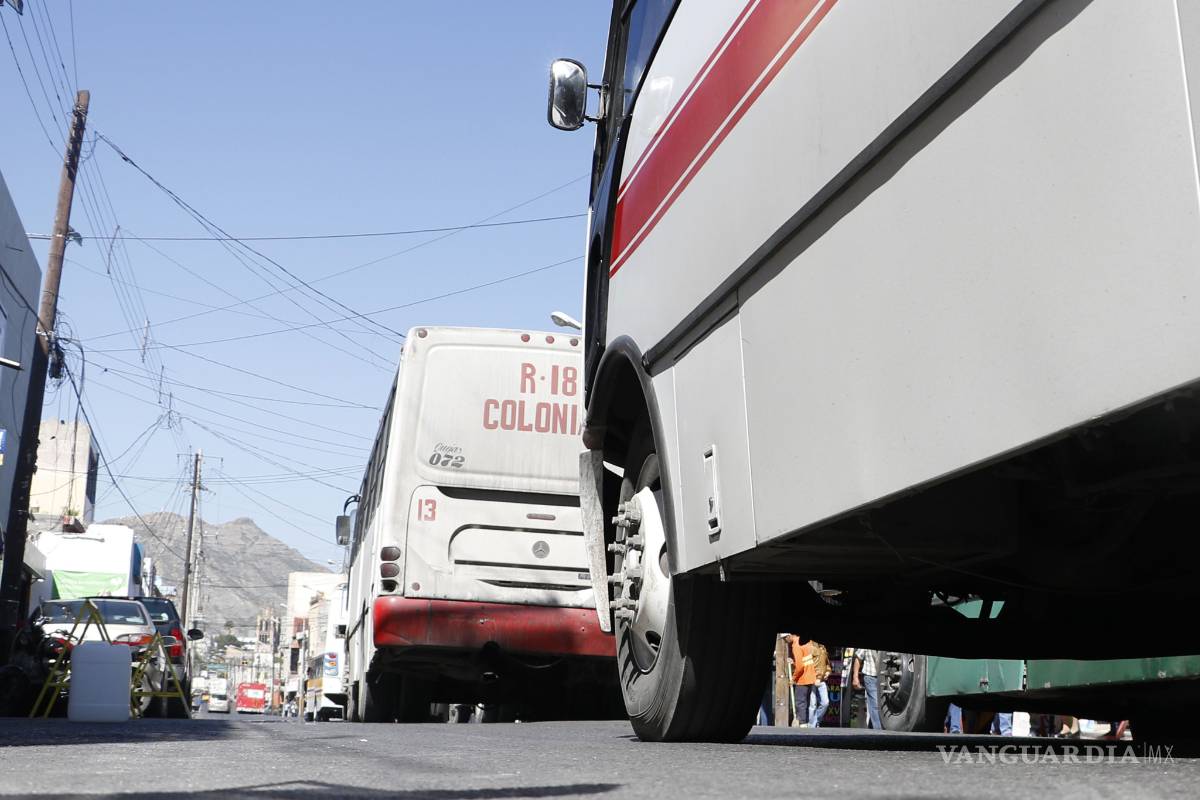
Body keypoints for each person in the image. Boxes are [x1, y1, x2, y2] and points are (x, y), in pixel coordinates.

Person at [787, 634, 816, 727]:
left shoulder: (796, 645)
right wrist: (794, 663)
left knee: (800, 701)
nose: (785, 641)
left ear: (789, 636)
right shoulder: (806, 642)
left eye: (784, 638)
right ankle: (806, 722)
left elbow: (800, 667)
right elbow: (804, 661)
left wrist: (793, 678)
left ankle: (802, 723)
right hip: (810, 676)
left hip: (803, 678)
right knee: (806, 701)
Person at [851, 648, 882, 729]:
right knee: (875, 704)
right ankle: (879, 731)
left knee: (878, 704)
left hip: (883, 678)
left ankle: (873, 727)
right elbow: (858, 659)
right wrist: (855, 677)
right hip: (870, 677)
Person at [807, 640, 832, 727]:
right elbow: (807, 665)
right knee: (812, 704)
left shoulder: (823, 647)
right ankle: (812, 725)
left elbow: (827, 664)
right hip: (813, 679)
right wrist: (813, 677)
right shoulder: (809, 647)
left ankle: (815, 721)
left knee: (825, 703)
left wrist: (828, 672)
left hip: (822, 680)